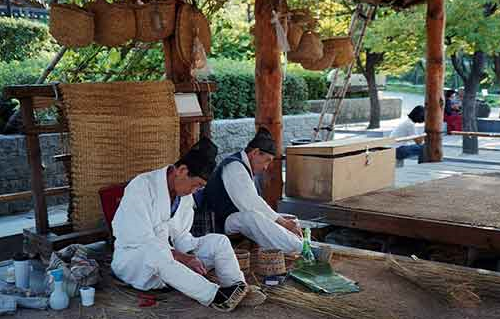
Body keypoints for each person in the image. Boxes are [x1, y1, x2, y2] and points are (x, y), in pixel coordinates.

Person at [111, 137, 248, 312]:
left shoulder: (184, 196)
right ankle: (215, 296)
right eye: (196, 185)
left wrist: (191, 254)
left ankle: (236, 288)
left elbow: (182, 236)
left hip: (169, 261)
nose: (195, 191)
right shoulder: (141, 187)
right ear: (182, 170)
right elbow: (141, 240)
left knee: (219, 242)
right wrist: (183, 258)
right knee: (156, 253)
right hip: (135, 261)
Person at [203, 127, 303, 254]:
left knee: (288, 218)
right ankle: (299, 249)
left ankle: (297, 242)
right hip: (219, 221)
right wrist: (282, 222)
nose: (266, 167)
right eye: (266, 160)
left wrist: (284, 221)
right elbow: (250, 204)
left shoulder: (243, 166)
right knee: (252, 217)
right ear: (255, 152)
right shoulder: (234, 166)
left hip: (232, 218)